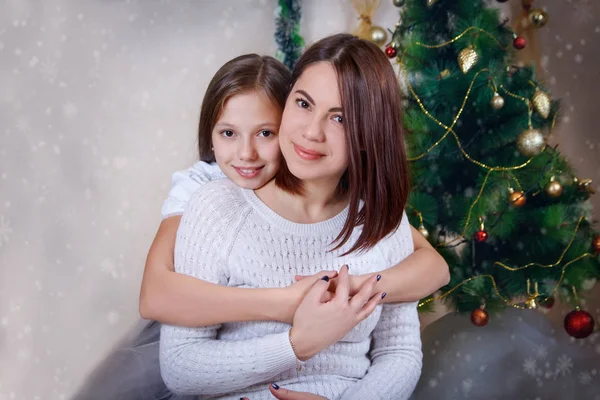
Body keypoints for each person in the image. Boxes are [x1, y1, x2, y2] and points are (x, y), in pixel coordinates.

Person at [159, 33, 431, 400]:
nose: (311, 132)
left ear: (369, 134)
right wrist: (295, 344)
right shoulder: (215, 207)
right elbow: (180, 366)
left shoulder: (383, 219)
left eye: (340, 118)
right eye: (304, 104)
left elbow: (398, 351)